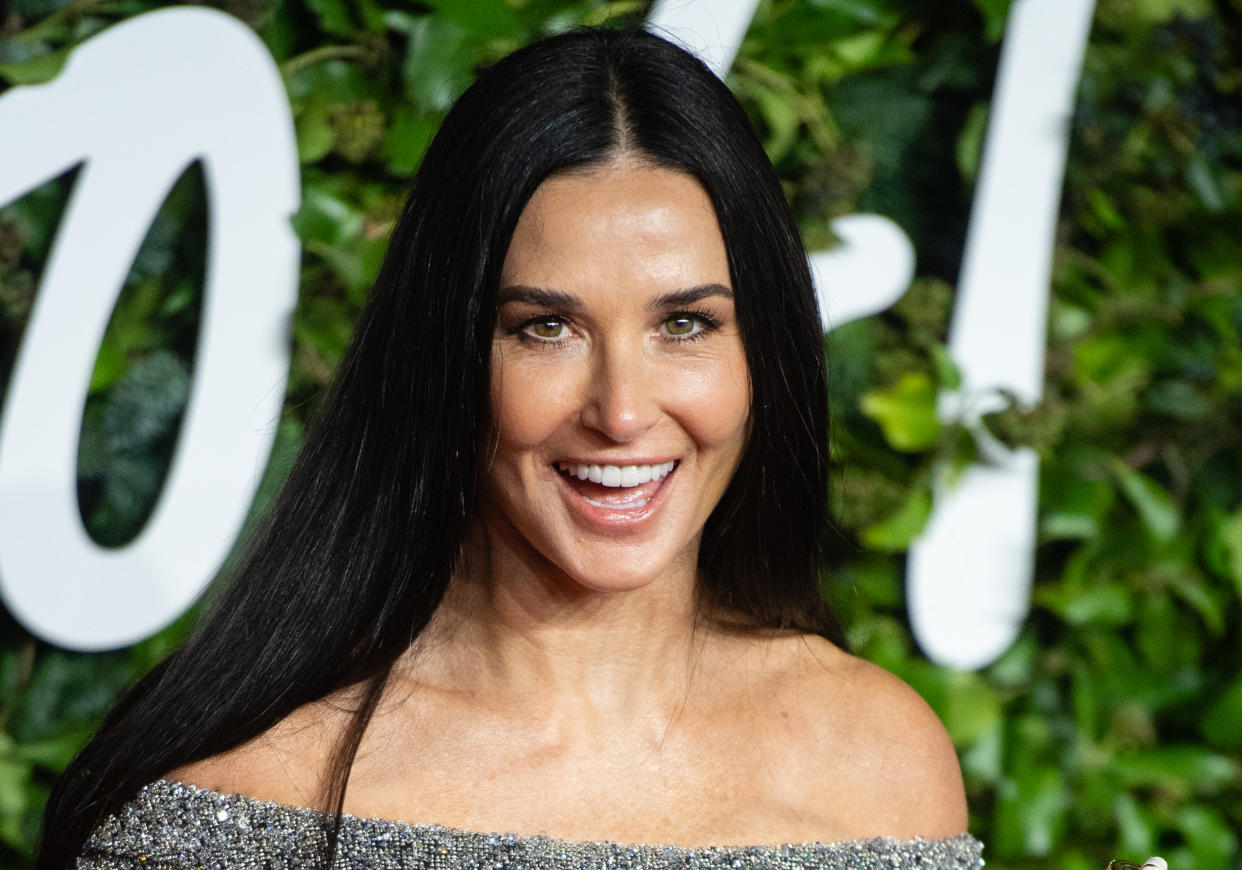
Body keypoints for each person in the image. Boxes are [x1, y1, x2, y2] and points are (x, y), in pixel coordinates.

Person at [42, 26, 984, 869]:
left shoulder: (878, 758)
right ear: (447, 354)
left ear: (764, 354)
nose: (621, 410)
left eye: (687, 325)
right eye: (546, 329)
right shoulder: (233, 800)